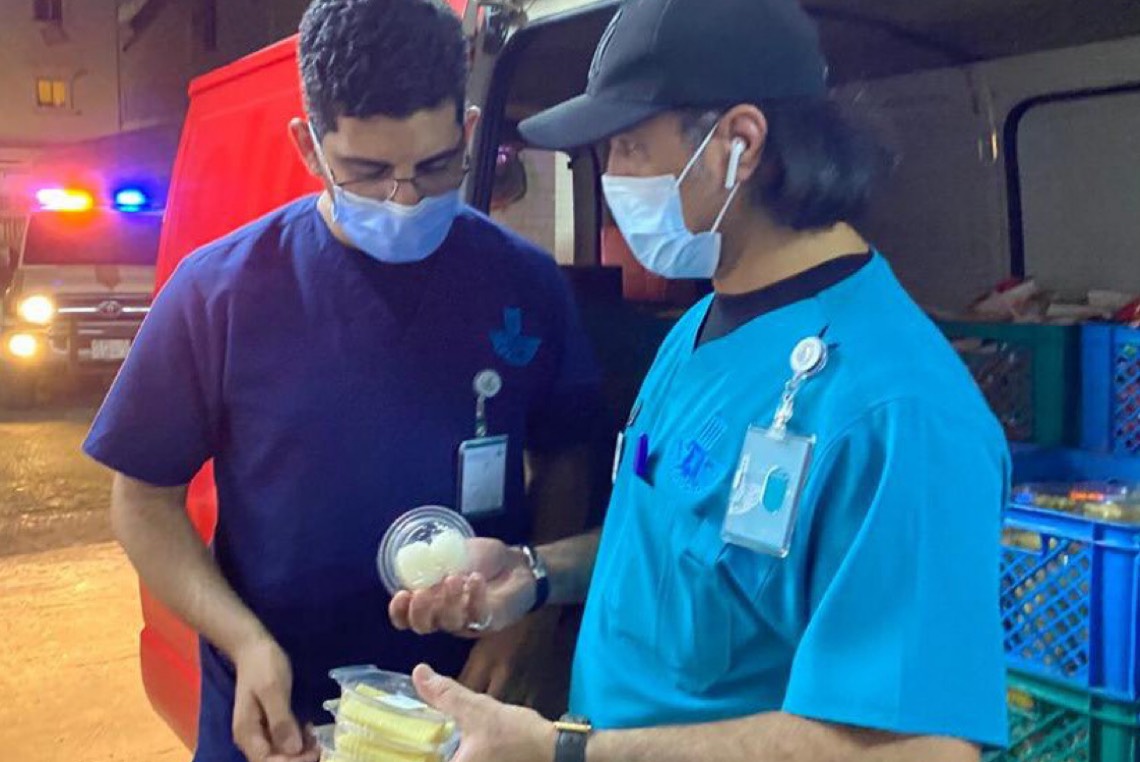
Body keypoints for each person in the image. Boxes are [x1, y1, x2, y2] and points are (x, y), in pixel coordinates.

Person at [390, 0, 1010, 760]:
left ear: (738, 143)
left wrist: (567, 752)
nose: (613, 178)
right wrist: (536, 573)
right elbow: (677, 541)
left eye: (628, 146)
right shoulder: (700, 328)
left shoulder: (899, 411)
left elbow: (922, 748)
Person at [83, 1, 604, 760]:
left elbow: (567, 458)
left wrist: (529, 619)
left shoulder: (524, 285)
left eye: (435, 167)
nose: (406, 198)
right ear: (308, 146)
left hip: (467, 709)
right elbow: (142, 501)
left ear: (466, 132)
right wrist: (243, 641)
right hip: (278, 710)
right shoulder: (221, 291)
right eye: (369, 172)